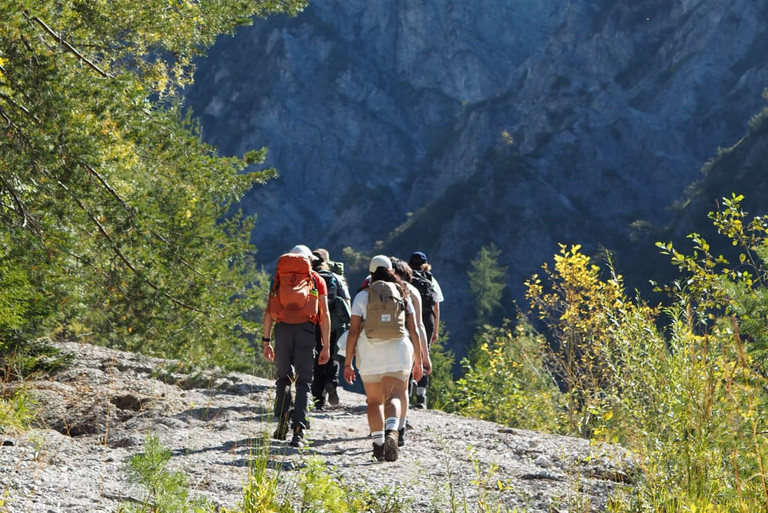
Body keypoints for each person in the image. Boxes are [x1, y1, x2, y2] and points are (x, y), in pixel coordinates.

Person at [343, 255, 423, 462]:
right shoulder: (402, 294)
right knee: (394, 395)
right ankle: (392, 431)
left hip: (370, 354)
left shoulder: (363, 296)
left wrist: (348, 362)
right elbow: (413, 330)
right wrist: (419, 359)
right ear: (391, 271)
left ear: (370, 273)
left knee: (374, 401)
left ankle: (378, 445)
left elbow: (353, 332)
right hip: (398, 351)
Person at [263, 245, 331, 448]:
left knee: (283, 379)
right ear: (309, 260)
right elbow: (324, 314)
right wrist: (326, 345)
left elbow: (268, 312)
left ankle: (282, 425)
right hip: (306, 331)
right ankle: (298, 432)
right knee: (304, 382)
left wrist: (266, 341)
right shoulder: (316, 280)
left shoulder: (279, 278)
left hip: (282, 329)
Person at [390, 256, 431, 446]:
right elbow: (419, 326)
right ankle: (401, 428)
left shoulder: (375, 289)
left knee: (386, 387)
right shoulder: (412, 290)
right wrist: (424, 356)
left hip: (380, 344)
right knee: (403, 388)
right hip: (405, 344)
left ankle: (387, 425)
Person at [310, 248, 351, 410]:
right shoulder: (336, 277)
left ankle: (318, 398)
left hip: (314, 323)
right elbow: (346, 301)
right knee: (333, 354)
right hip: (334, 324)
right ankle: (331, 382)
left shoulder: (310, 278)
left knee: (316, 357)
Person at [408, 251, 444, 409]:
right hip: (427, 319)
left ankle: (406, 391)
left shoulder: (406, 278)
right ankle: (421, 397)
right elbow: (436, 304)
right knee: (424, 353)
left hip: (409, 318)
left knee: (408, 353)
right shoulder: (430, 279)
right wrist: (435, 330)